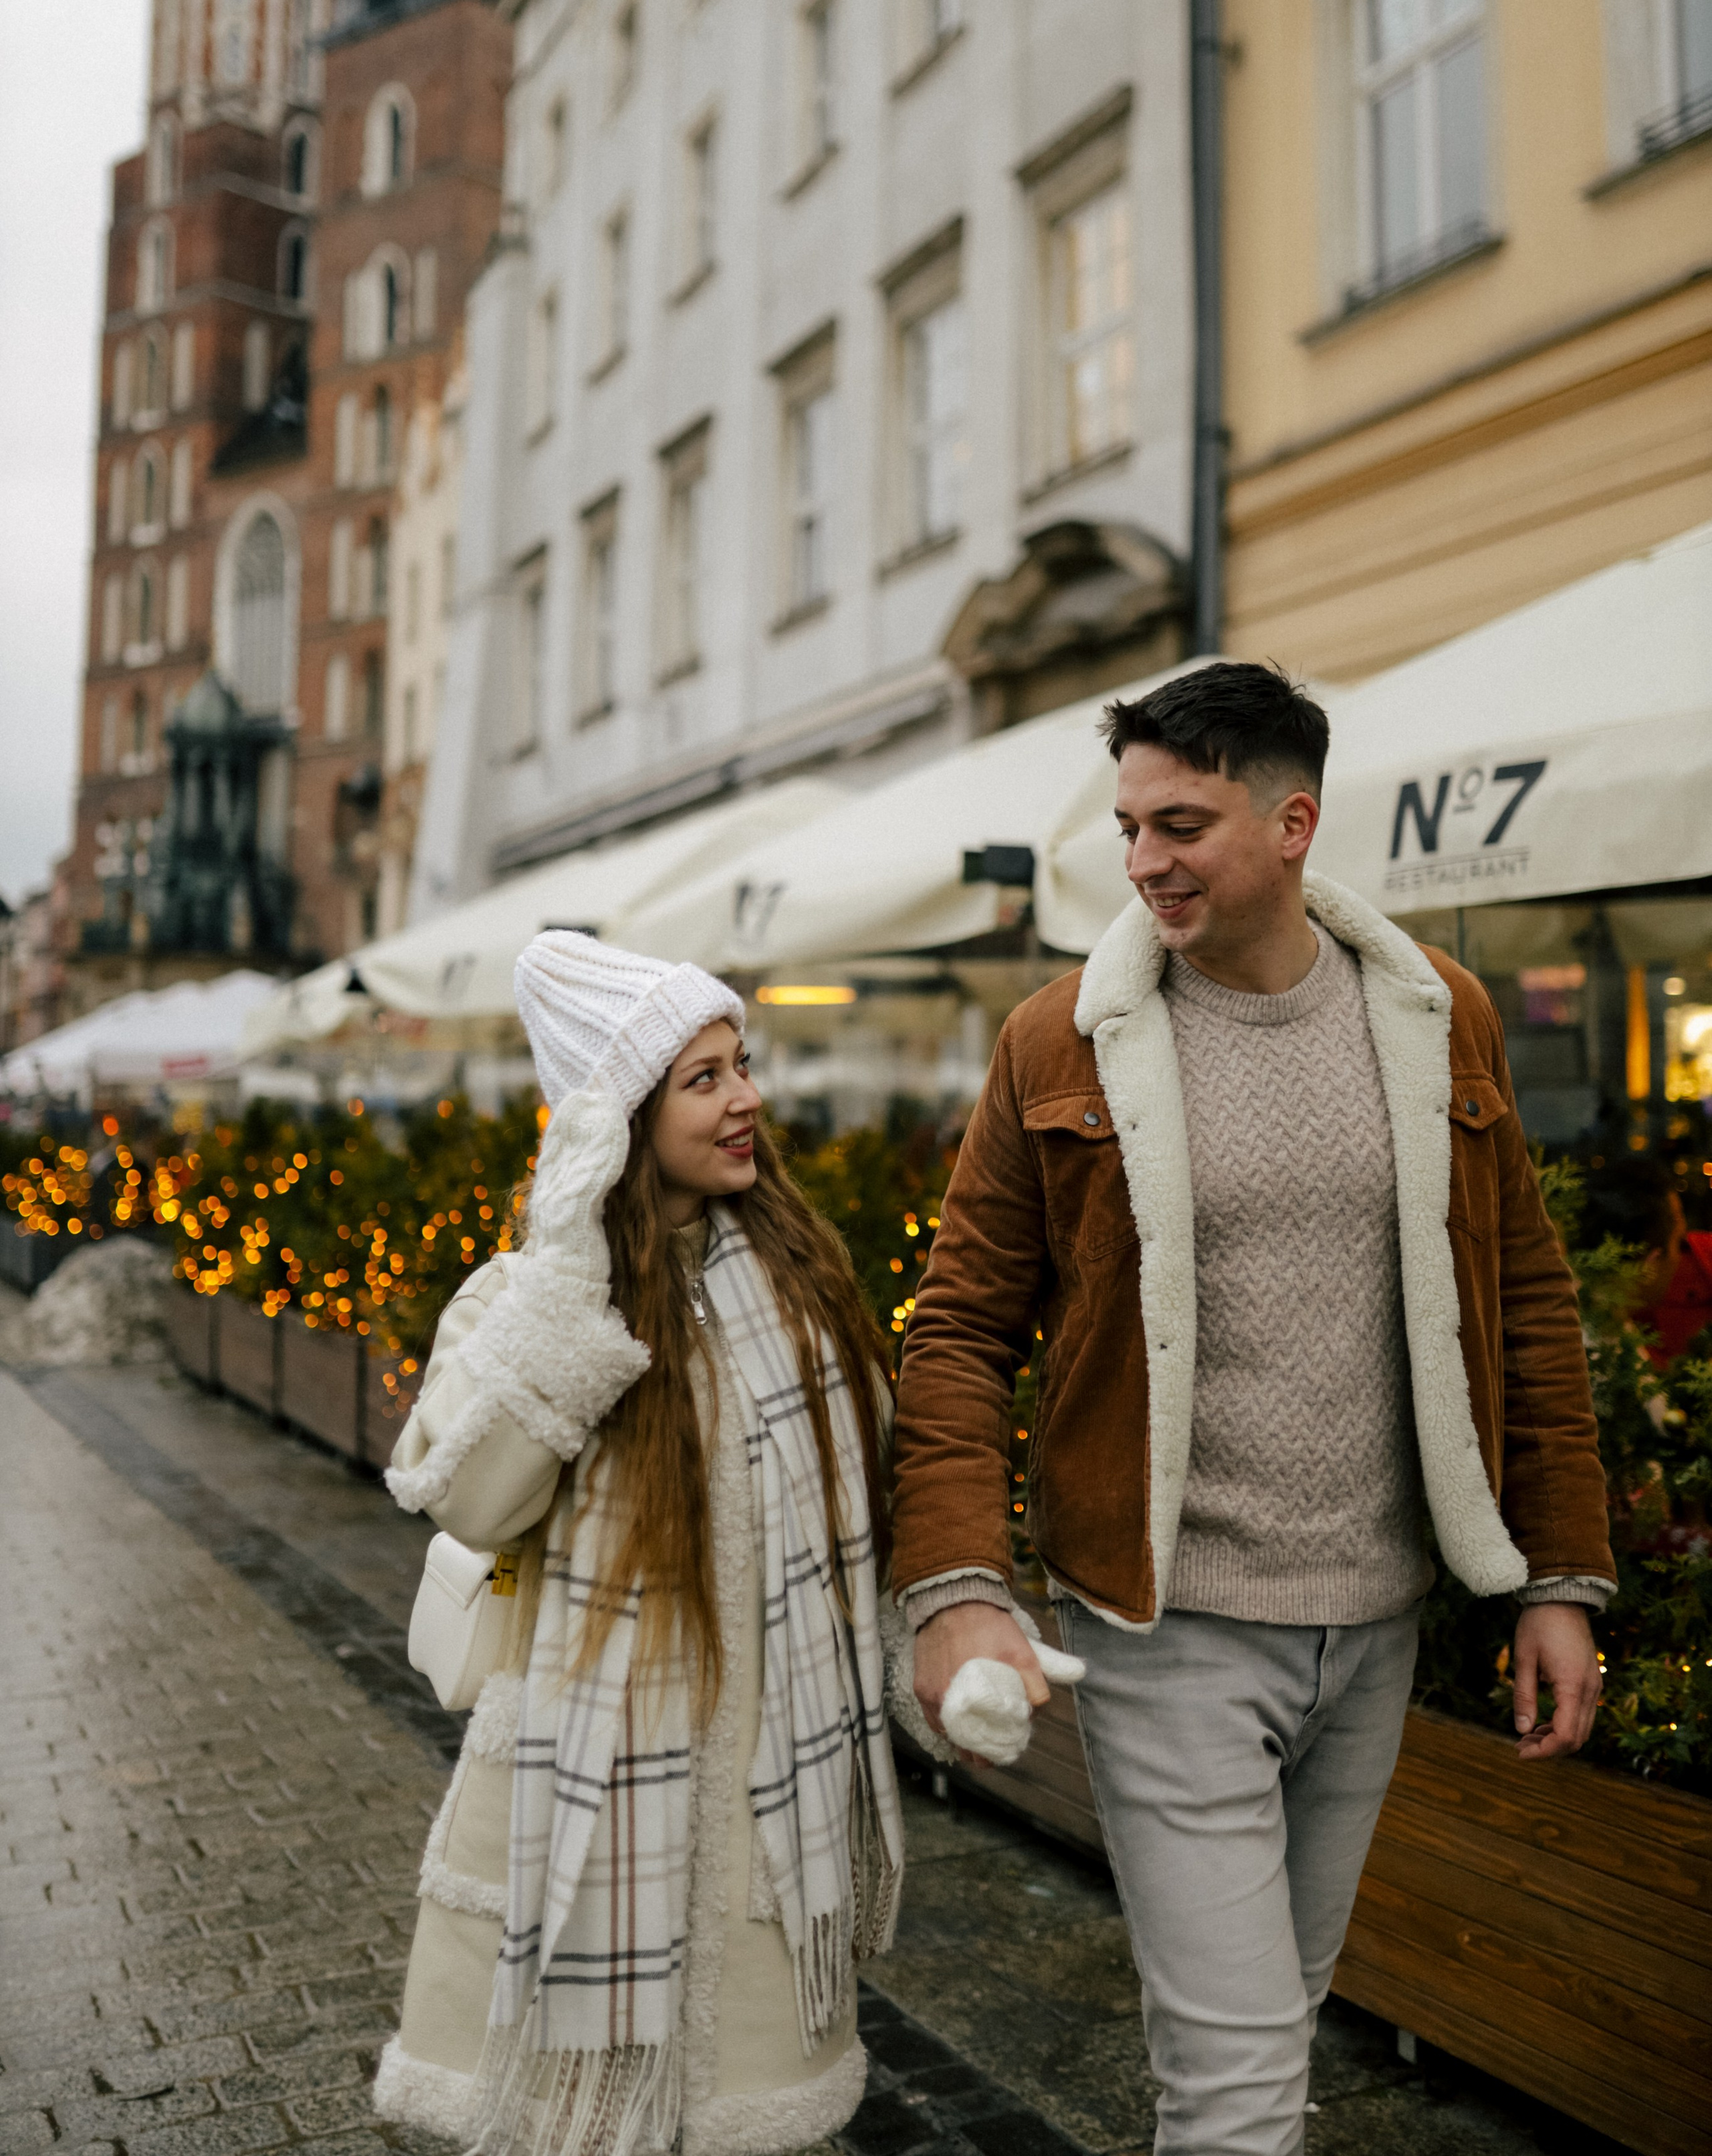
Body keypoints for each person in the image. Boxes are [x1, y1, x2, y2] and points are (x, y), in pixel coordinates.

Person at [893, 661, 1615, 2156]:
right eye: (1128, 827)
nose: (1143, 862)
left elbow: (1526, 1306)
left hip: (1378, 1620)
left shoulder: (1438, 1017)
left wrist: (1557, 1576)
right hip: (1165, 1629)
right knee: (1237, 2091)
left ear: (1292, 825)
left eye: (1182, 826)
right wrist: (955, 1587)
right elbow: (956, 1334)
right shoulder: (1057, 1040)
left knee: (1278, 2024)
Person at [374, 935, 919, 2156]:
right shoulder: (526, 1299)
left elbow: (875, 1500)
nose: (746, 1100)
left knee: (744, 2125)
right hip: (582, 1801)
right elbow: (470, 1499)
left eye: (742, 1066)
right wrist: (573, 1285)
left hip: (761, 1801)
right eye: (704, 1079)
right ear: (622, 1116)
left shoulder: (801, 1291)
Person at [1581, 1153, 1712, 1363]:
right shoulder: (1618, 1359)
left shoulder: (1562, 1311)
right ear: (1650, 1263)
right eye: (1678, 1244)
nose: (1680, 1259)